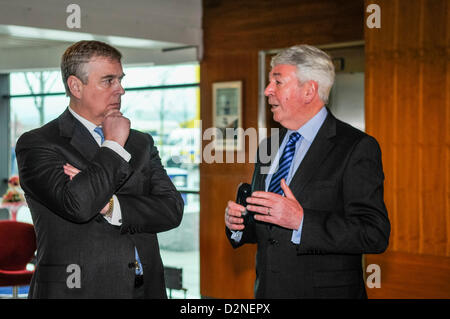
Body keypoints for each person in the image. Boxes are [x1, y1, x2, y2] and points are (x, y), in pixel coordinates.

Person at [16, 40, 184, 299]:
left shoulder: (141, 142)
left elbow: (172, 209)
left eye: (120, 79)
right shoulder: (39, 143)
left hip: (146, 290)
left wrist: (112, 206)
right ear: (75, 86)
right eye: (108, 81)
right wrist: (114, 144)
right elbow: (78, 206)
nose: (121, 90)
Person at [225, 44, 390, 298]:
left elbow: (373, 233)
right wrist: (240, 225)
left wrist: (301, 221)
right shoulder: (268, 145)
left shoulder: (357, 147)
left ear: (309, 90)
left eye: (277, 82)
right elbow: (269, 228)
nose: (267, 91)